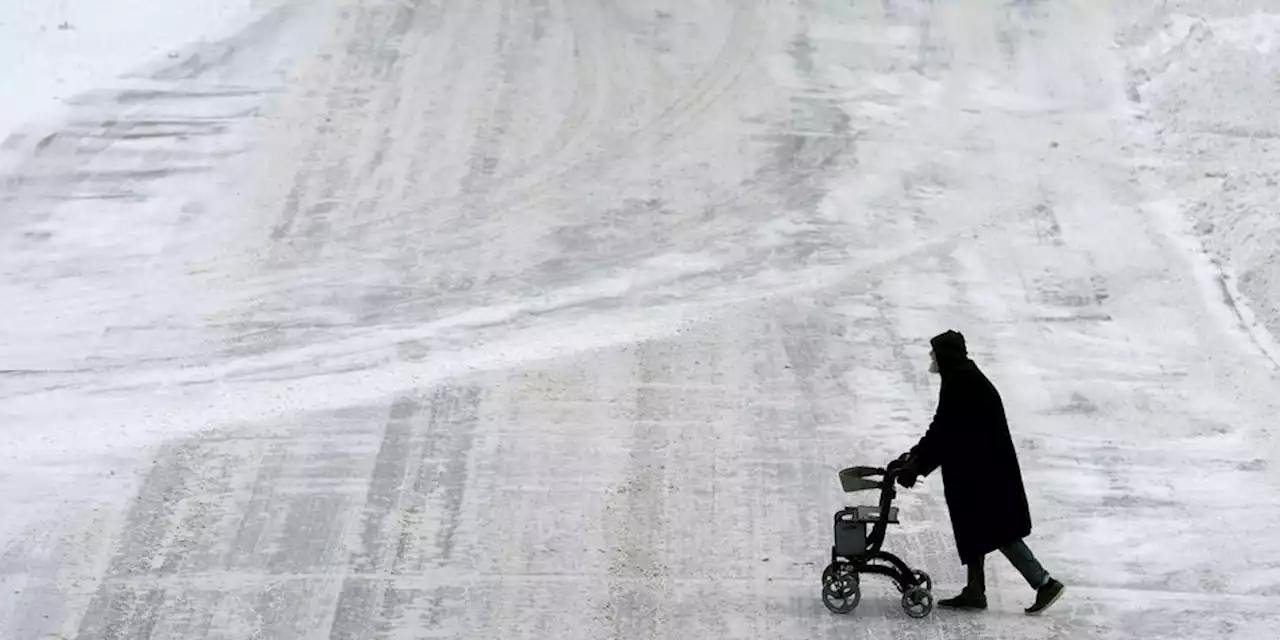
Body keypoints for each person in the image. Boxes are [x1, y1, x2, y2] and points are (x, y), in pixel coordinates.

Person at [895, 330, 1065, 615]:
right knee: (974, 528)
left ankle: (1044, 582)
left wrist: (917, 466)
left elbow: (946, 431)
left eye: (934, 352)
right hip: (976, 468)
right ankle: (975, 591)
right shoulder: (960, 377)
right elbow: (943, 426)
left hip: (984, 472)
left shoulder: (962, 381)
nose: (931, 357)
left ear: (945, 355)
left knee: (997, 530)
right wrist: (915, 455)